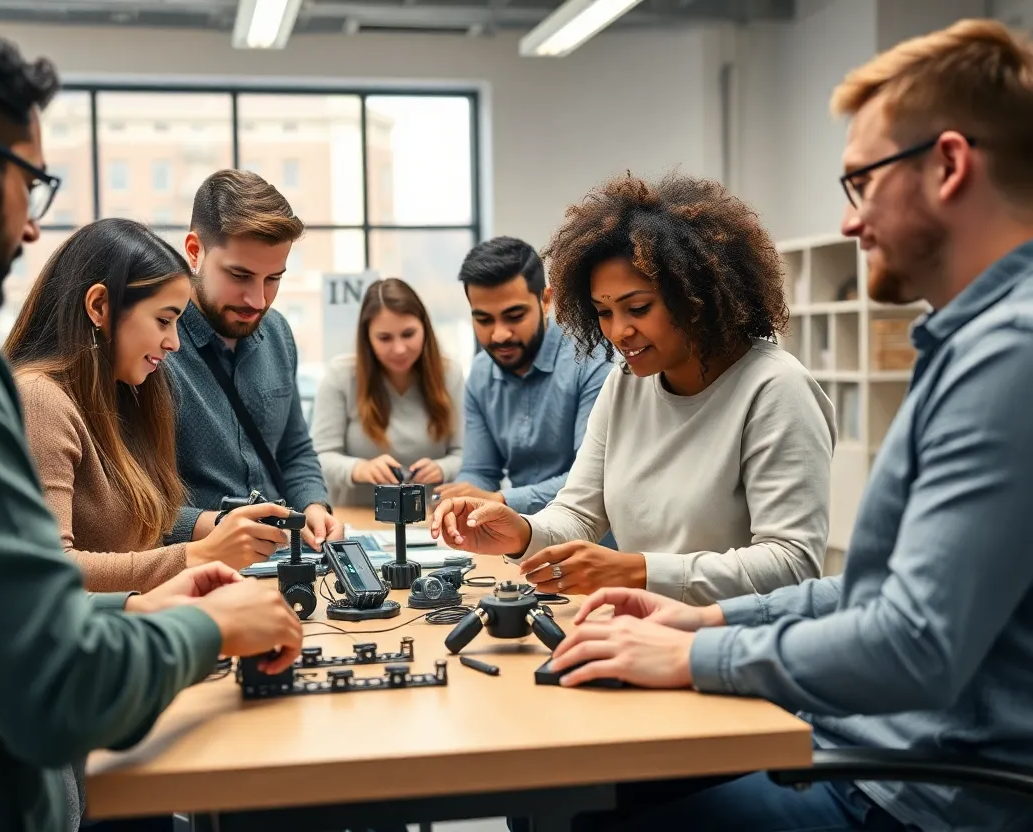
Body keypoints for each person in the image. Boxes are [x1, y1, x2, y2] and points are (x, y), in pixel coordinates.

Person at [0, 4, 302, 831]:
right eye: (31, 182)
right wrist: (206, 626)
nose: (32, 223)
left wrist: (135, 610)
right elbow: (56, 685)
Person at [541, 19, 1033, 832]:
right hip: (870, 748)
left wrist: (695, 653)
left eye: (861, 182)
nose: (849, 222)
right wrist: (707, 619)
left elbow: (912, 644)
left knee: (585, 812)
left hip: (916, 794)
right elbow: (876, 591)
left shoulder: (1008, 356)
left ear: (949, 165)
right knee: (577, 790)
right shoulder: (974, 344)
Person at [433, 172, 836, 604]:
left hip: (733, 639)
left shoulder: (777, 390)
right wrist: (521, 532)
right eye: (603, 312)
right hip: (641, 629)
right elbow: (578, 513)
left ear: (696, 297)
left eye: (638, 308)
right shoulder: (624, 385)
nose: (618, 332)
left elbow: (791, 564)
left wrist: (637, 571)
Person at [4, 218, 294, 593]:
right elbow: (49, 567)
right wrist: (199, 555)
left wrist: (222, 527)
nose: (174, 343)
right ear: (99, 306)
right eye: (163, 320)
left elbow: (132, 527)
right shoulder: (39, 399)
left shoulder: (115, 396)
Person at [163, 170, 342, 548]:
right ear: (194, 251)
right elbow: (127, 499)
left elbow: (294, 449)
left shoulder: (277, 333)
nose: (258, 300)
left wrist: (313, 504)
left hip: (285, 553)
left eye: (273, 278)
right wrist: (219, 527)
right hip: (195, 563)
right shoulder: (154, 347)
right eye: (240, 275)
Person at [435, 237, 614, 517]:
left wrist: (502, 500)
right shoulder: (481, 374)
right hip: (519, 536)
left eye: (514, 316)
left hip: (590, 536)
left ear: (545, 301)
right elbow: (479, 470)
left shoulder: (592, 362)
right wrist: (460, 503)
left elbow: (590, 481)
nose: (499, 335)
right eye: (483, 320)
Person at [311, 277, 465, 506]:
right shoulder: (341, 376)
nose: (399, 349)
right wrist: (359, 469)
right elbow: (318, 459)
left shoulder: (449, 375)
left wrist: (443, 468)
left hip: (429, 518)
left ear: (425, 328)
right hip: (356, 518)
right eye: (384, 338)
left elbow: (467, 457)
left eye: (408, 334)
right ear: (367, 338)